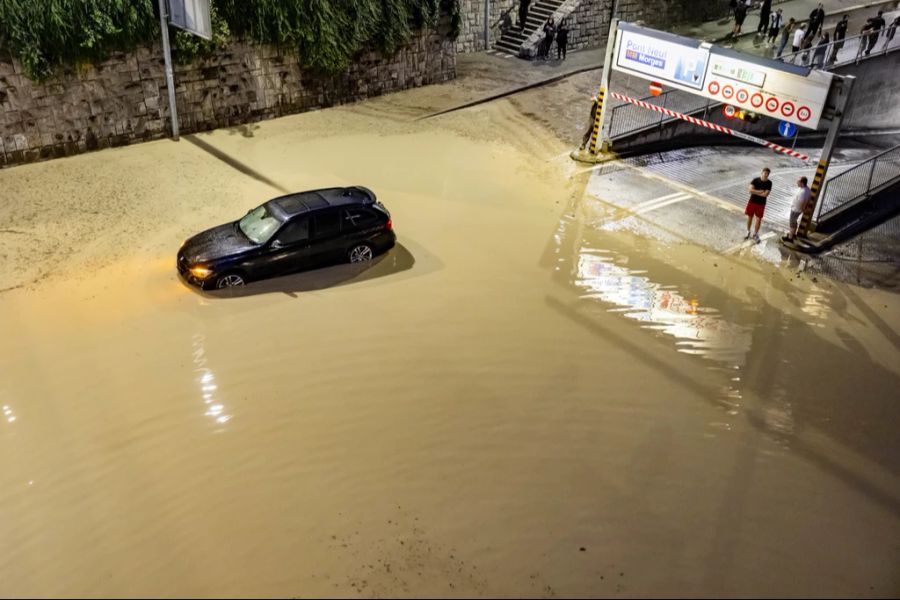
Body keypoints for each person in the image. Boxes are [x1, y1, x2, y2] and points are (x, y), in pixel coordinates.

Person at [744, 167, 772, 242]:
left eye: (767, 174)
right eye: (765, 173)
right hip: (752, 201)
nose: (766, 175)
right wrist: (760, 192)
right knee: (750, 217)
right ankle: (748, 231)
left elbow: (765, 195)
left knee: (758, 219)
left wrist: (755, 191)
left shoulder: (769, 183)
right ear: (762, 173)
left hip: (761, 204)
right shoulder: (755, 180)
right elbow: (750, 190)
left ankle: (755, 234)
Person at [783, 177, 811, 242]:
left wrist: (803, 209)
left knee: (792, 223)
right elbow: (808, 199)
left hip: (796, 209)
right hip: (797, 209)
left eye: (798, 181)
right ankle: (793, 234)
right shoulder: (807, 189)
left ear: (802, 183)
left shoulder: (803, 192)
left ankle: (790, 238)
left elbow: (803, 202)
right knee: (794, 222)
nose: (797, 182)